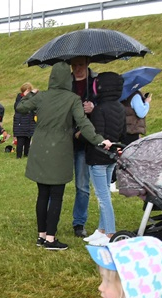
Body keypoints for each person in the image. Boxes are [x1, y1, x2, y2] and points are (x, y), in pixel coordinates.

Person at [16, 63, 110, 251]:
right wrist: (99, 140)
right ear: (67, 79)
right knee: (56, 196)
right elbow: (83, 123)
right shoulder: (73, 99)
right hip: (59, 150)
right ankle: (51, 239)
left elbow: (21, 107)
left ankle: (41, 235)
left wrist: (33, 93)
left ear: (51, 78)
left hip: (40, 149)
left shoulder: (41, 97)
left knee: (42, 194)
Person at [83, 72, 126, 245]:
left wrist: (91, 115)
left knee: (103, 196)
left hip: (98, 158)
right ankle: (101, 230)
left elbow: (97, 135)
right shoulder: (120, 108)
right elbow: (121, 132)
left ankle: (110, 233)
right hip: (112, 157)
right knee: (105, 192)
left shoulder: (100, 109)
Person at [69, 57, 98, 238]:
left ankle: (79, 223)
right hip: (66, 139)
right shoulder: (66, 84)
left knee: (82, 185)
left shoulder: (96, 84)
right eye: (74, 65)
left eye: (81, 65)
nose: (77, 69)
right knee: (56, 184)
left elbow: (106, 108)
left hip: (84, 142)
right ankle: (50, 222)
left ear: (87, 64)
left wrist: (94, 107)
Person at [12, 83, 37, 159]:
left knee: (27, 140)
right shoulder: (19, 99)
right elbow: (19, 107)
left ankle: (26, 154)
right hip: (20, 124)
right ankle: (18, 156)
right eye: (27, 91)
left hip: (29, 123)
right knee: (20, 141)